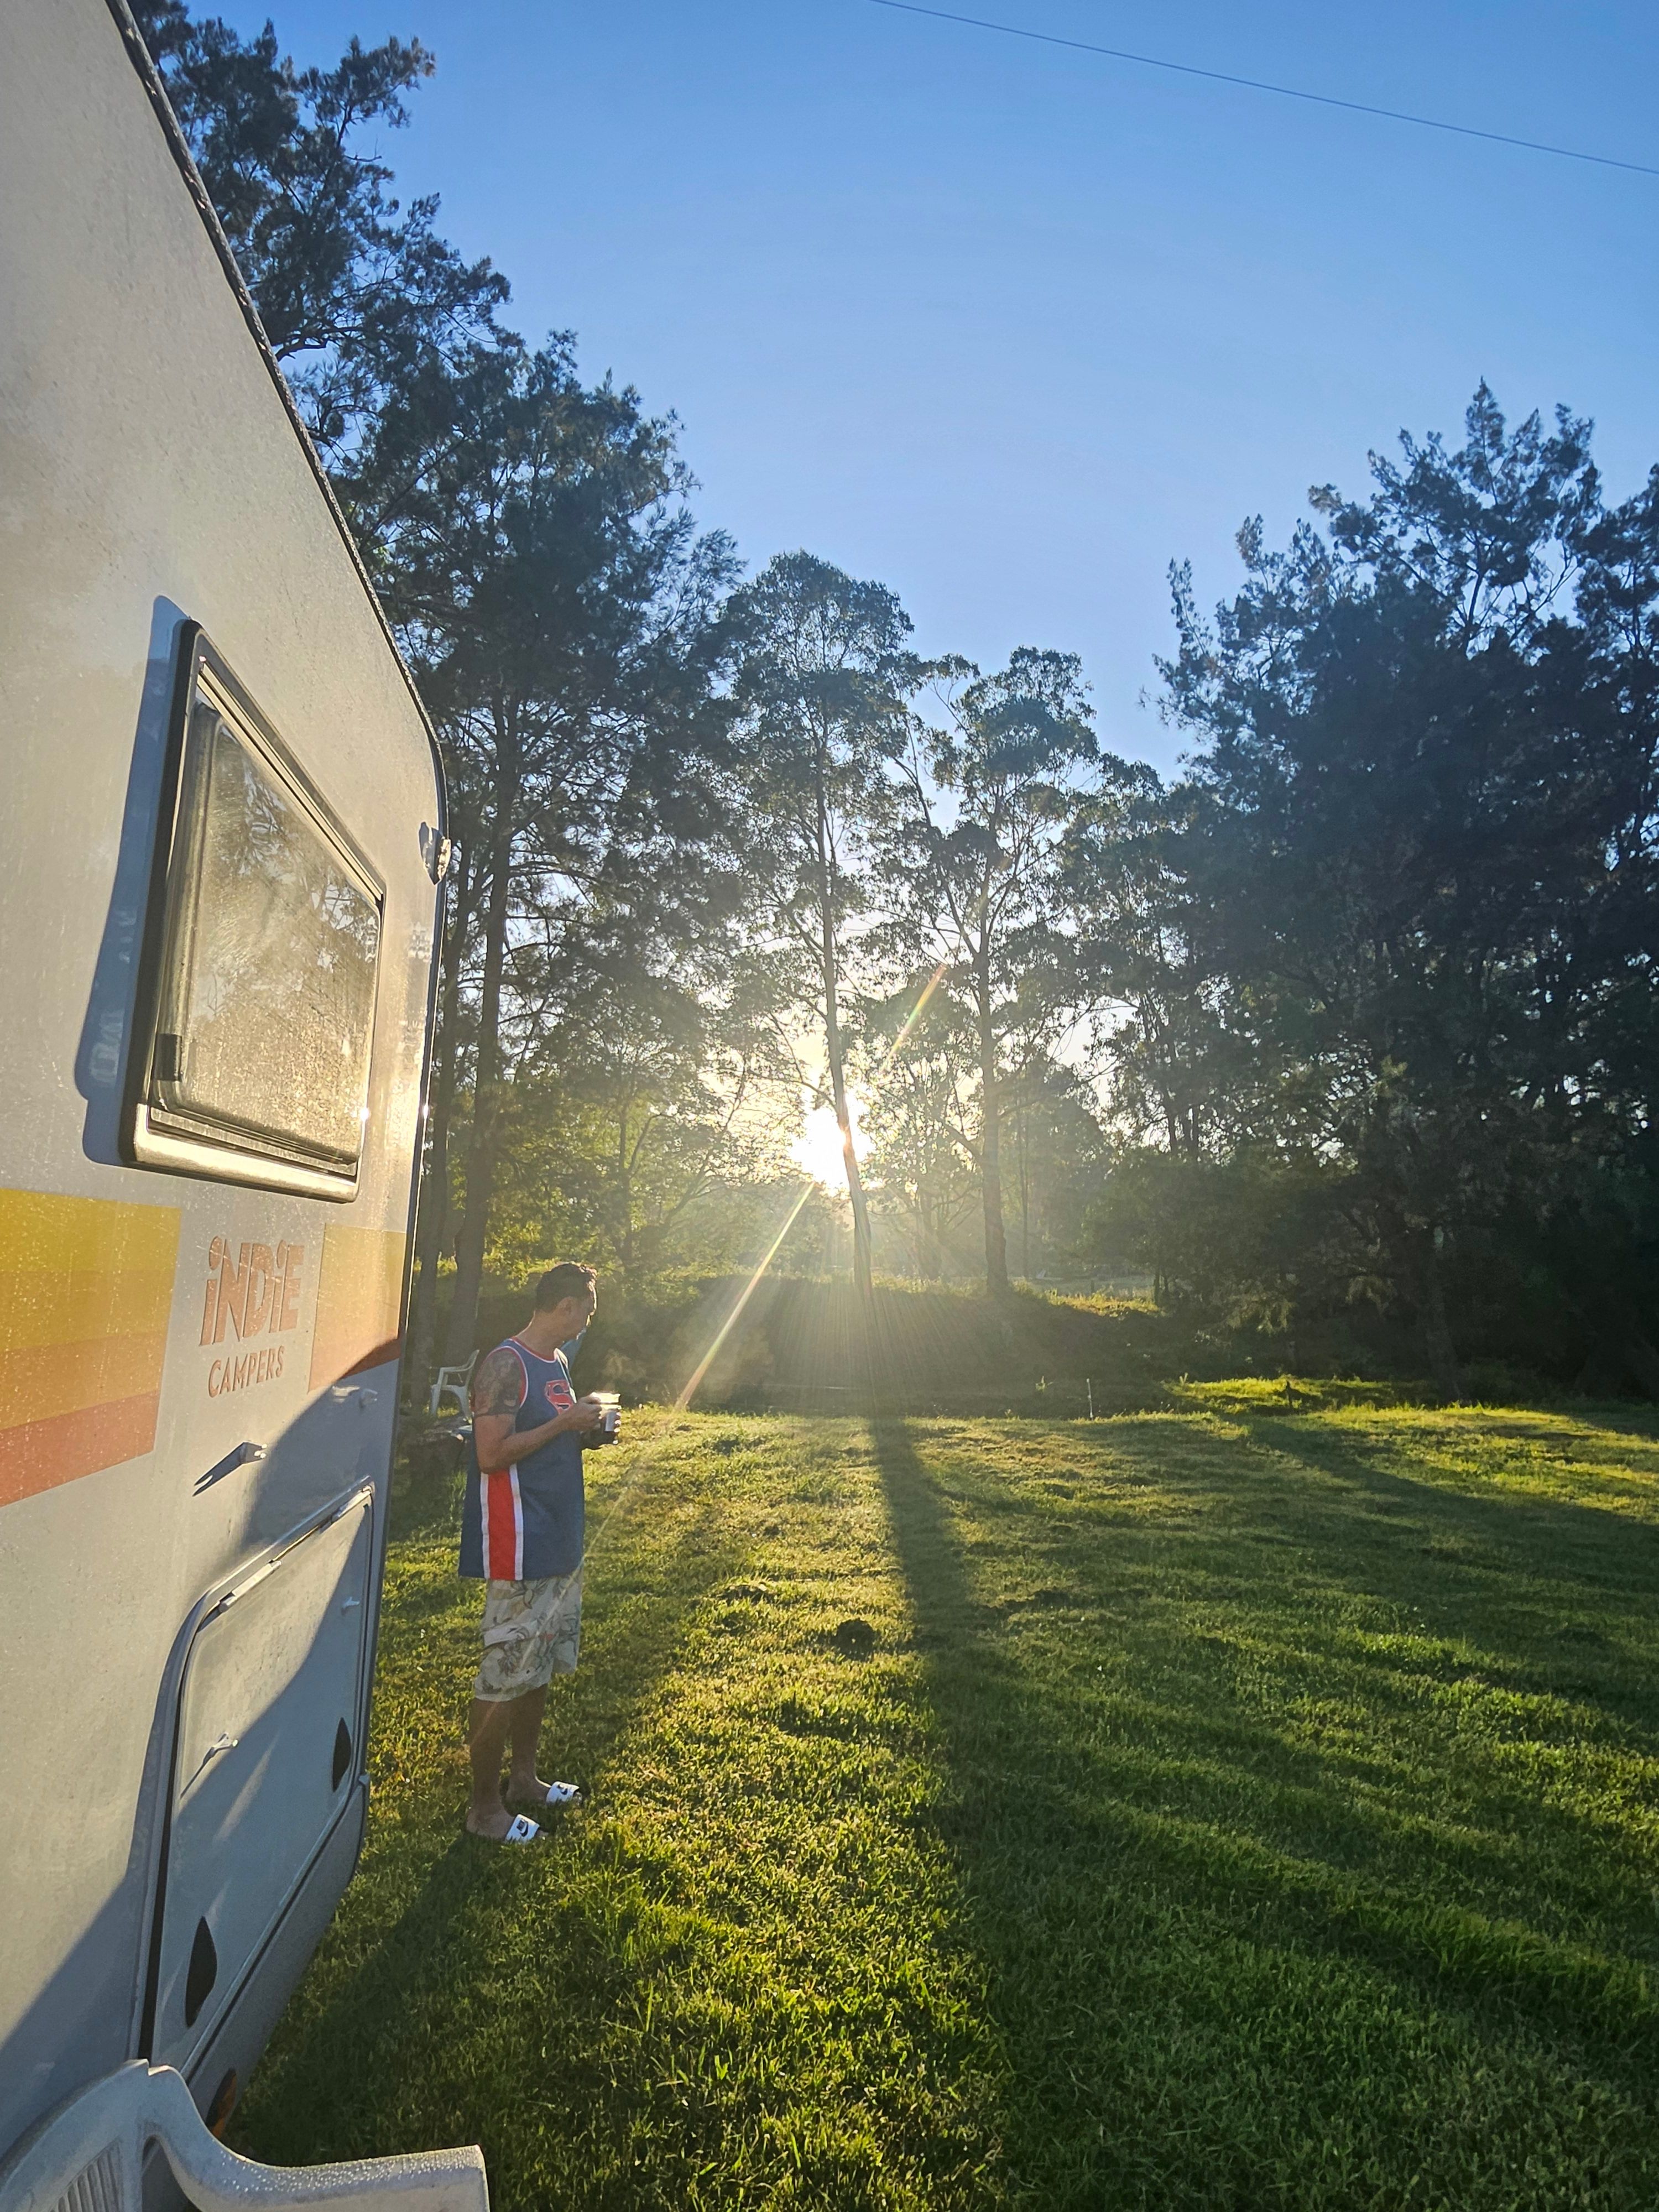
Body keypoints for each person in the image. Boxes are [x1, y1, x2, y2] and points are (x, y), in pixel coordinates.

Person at [457, 1261, 606, 1841]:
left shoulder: (559, 1363)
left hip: (557, 1541)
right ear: (566, 1306)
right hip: (518, 1543)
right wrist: (562, 1422)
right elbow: (490, 1456)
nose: (587, 1322)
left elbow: (549, 1430)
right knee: (502, 1674)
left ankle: (524, 1780)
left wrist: (584, 1427)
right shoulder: (505, 1363)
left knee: (538, 1666)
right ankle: (485, 1809)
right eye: (587, 1311)